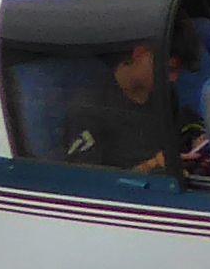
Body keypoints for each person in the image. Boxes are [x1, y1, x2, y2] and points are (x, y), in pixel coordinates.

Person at [37, 36, 187, 176]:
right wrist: (150, 166)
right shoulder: (89, 109)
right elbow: (87, 183)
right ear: (140, 54)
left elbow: (181, 131)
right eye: (169, 69)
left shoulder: (165, 95)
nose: (174, 78)